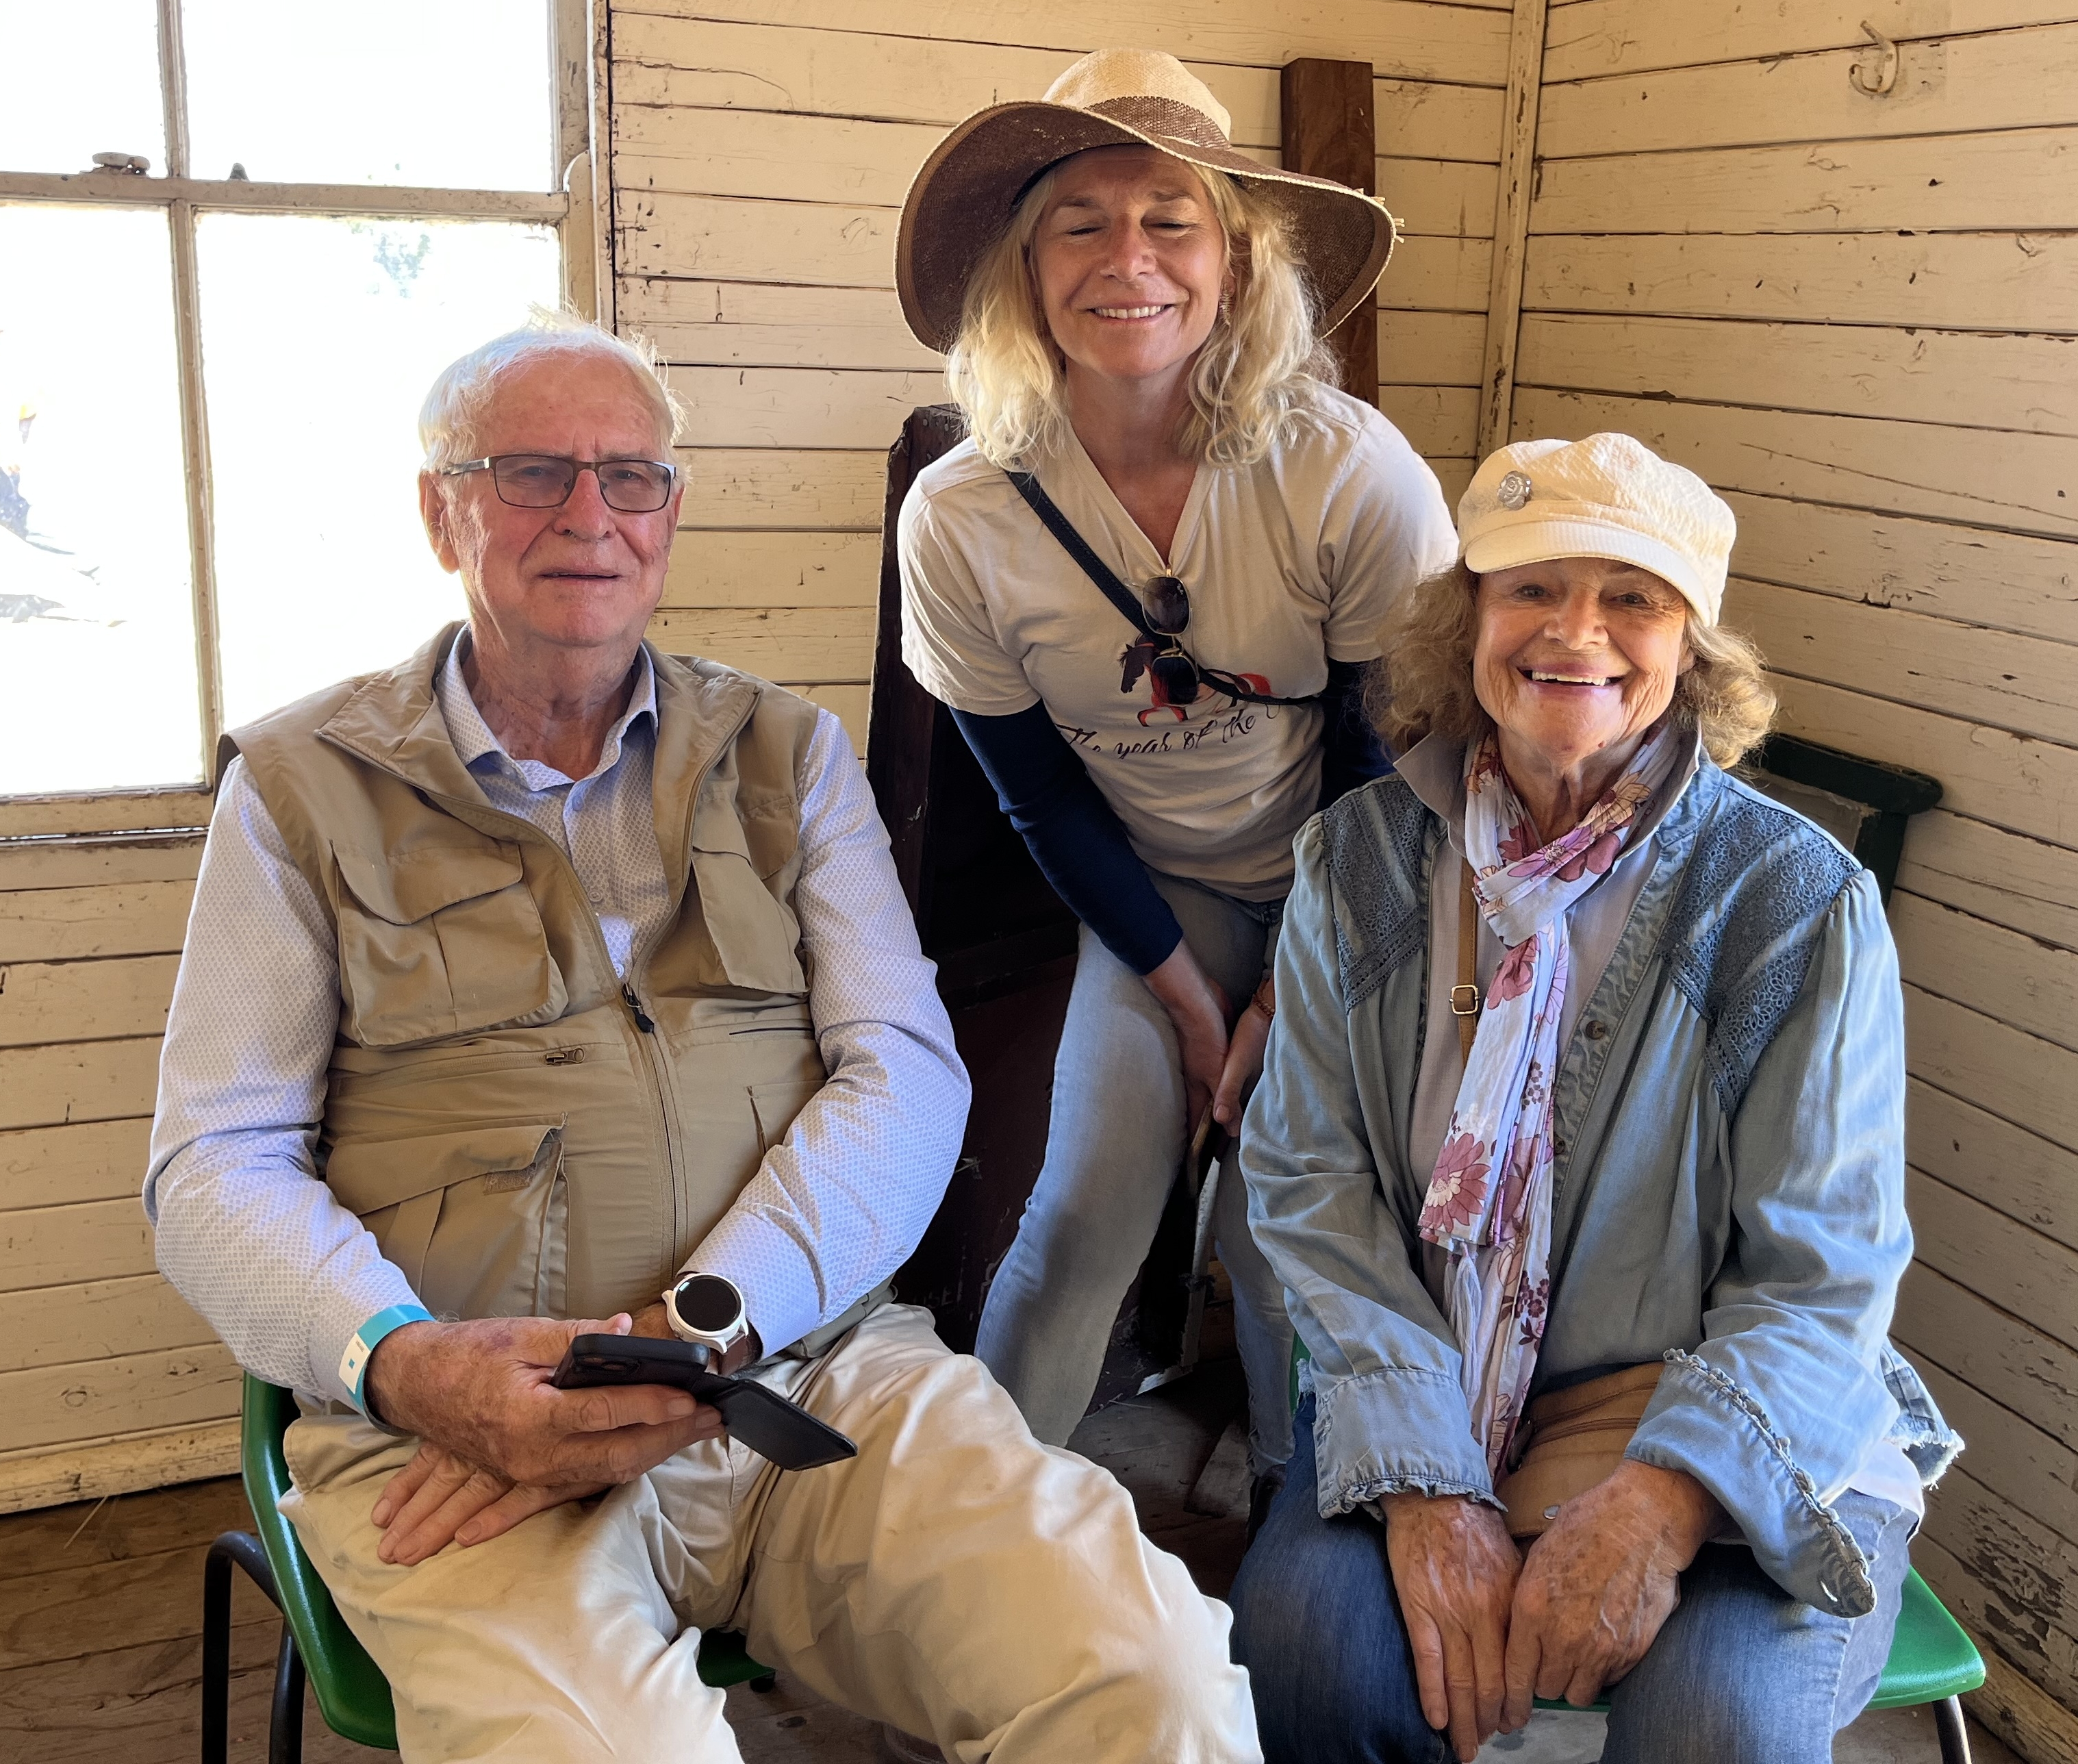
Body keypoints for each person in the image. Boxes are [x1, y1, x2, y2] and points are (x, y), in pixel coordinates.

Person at [144, 315, 1262, 1763]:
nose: (591, 517)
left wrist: (708, 1324)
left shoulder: (787, 754)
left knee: (1153, 1676)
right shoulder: (304, 790)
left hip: (805, 1373)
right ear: (443, 511)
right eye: (533, 472)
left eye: (633, 477)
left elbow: (904, 1070)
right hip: (462, 1432)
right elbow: (212, 1161)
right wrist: (409, 1365)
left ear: (672, 510)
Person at [1227, 433, 1960, 1764]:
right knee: (1308, 1653)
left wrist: (1658, 1504)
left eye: (1633, 596)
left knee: (1715, 1721)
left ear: (1692, 643)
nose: (1578, 631)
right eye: (1531, 588)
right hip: (1436, 1383)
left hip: (1725, 1414)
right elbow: (1307, 1185)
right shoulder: (1361, 861)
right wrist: (1426, 1481)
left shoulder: (1790, 901)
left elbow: (1823, 1273)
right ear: (1470, 623)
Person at [895, 47, 1456, 1495]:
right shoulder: (960, 516)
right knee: (1082, 1208)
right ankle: (974, 1544)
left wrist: (1286, 996)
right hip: (1156, 889)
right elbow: (1035, 791)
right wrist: (1193, 1001)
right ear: (1023, 268)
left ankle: (1303, 1538)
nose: (1125, 259)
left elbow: (1390, 762)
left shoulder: (1349, 472)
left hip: (1363, 880)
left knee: (1288, 1228)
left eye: (1170, 218)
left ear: (1236, 258)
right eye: (1080, 220)